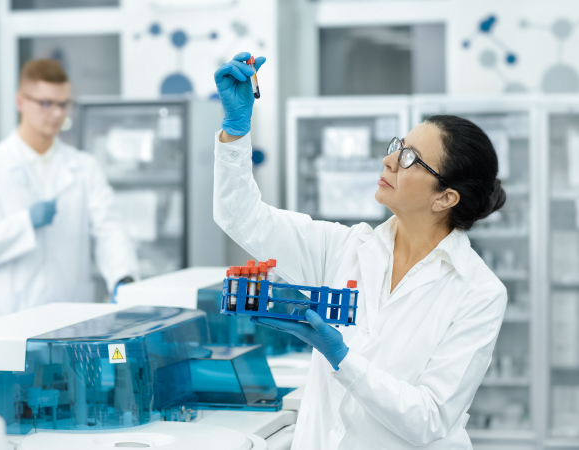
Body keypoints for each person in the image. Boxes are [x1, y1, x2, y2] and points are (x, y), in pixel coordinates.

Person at [213, 53, 507, 449]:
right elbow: (241, 218)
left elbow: (430, 418)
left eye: (409, 158)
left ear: (445, 198)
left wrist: (341, 357)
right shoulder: (345, 247)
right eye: (398, 146)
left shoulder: (478, 292)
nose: (388, 159)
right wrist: (235, 132)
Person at [0, 59, 139, 322]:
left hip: (71, 317)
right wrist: (24, 224)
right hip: (8, 318)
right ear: (20, 102)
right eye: (45, 103)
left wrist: (123, 277)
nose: (56, 114)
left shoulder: (84, 167)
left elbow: (109, 229)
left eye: (63, 104)